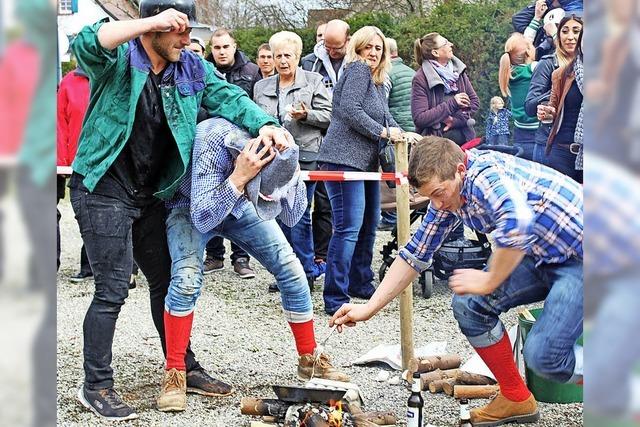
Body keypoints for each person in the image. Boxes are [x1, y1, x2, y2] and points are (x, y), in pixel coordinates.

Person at [69, 1, 287, 420]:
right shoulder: (119, 59)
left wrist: (264, 123)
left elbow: (230, 97)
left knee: (167, 280)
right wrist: (149, 21)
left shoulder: (189, 67)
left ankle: (182, 365)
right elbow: (86, 43)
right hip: (102, 188)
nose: (189, 42)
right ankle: (95, 385)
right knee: (113, 287)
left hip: (151, 192)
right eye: (179, 32)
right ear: (154, 30)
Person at [331, 136, 583, 426]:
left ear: (460, 170)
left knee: (544, 357)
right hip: (540, 251)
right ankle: (516, 397)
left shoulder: (485, 176)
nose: (438, 203)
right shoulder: (447, 196)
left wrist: (489, 280)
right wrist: (368, 309)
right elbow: (415, 255)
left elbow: (518, 222)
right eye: (430, 196)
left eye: (440, 192)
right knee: (468, 305)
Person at [160, 117, 350, 412]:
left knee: (292, 269)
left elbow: (290, 216)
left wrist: (282, 181)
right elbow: (204, 216)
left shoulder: (282, 152)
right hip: (191, 204)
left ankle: (309, 358)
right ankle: (174, 371)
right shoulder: (211, 141)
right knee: (185, 280)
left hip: (238, 203)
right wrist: (238, 179)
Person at [317, 26, 403, 315]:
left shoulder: (376, 81)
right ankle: (335, 296)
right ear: (358, 48)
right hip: (342, 159)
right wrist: (384, 132)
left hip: (366, 164)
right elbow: (352, 111)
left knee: (369, 225)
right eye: (368, 47)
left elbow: (385, 115)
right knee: (348, 228)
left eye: (378, 49)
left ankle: (361, 283)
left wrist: (402, 132)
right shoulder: (357, 71)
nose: (373, 53)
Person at [253, 31, 332, 292]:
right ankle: (285, 271)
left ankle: (306, 272)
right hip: (271, 160)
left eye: (288, 55)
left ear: (298, 56)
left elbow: (330, 115)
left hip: (305, 157)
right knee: (274, 216)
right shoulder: (261, 86)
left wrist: (305, 114)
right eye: (278, 56)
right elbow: (254, 120)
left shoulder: (313, 80)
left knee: (299, 216)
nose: (283, 60)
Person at [205, 27, 263, 278]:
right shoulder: (202, 71)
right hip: (209, 145)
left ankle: (241, 258)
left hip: (241, 147)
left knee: (240, 200)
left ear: (234, 46)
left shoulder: (251, 72)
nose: (221, 52)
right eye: (216, 48)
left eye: (226, 47)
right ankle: (214, 256)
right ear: (211, 50)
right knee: (209, 197)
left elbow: (257, 106)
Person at [411, 32, 479, 241]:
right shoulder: (421, 78)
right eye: (446, 43)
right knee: (443, 199)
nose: (451, 44)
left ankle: (458, 245)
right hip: (438, 150)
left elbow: (474, 104)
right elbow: (420, 118)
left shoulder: (459, 72)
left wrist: (454, 121)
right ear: (435, 52)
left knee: (462, 194)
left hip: (464, 144)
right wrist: (452, 104)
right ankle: (443, 247)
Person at [301, 19, 352, 276]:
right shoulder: (310, 62)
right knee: (305, 205)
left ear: (348, 41)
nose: (331, 52)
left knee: (328, 205)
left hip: (345, 140)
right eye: (326, 46)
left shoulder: (356, 62)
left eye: (337, 47)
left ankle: (323, 254)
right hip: (315, 138)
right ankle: (308, 259)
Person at [529, 15, 583, 181]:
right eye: (564, 31)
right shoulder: (551, 66)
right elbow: (530, 105)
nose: (570, 36)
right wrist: (552, 101)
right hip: (555, 146)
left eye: (576, 31)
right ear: (558, 36)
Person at [498, 33, 539, 160]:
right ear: (528, 52)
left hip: (520, 131)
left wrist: (536, 18)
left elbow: (523, 43)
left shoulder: (508, 72)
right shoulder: (534, 68)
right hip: (536, 128)